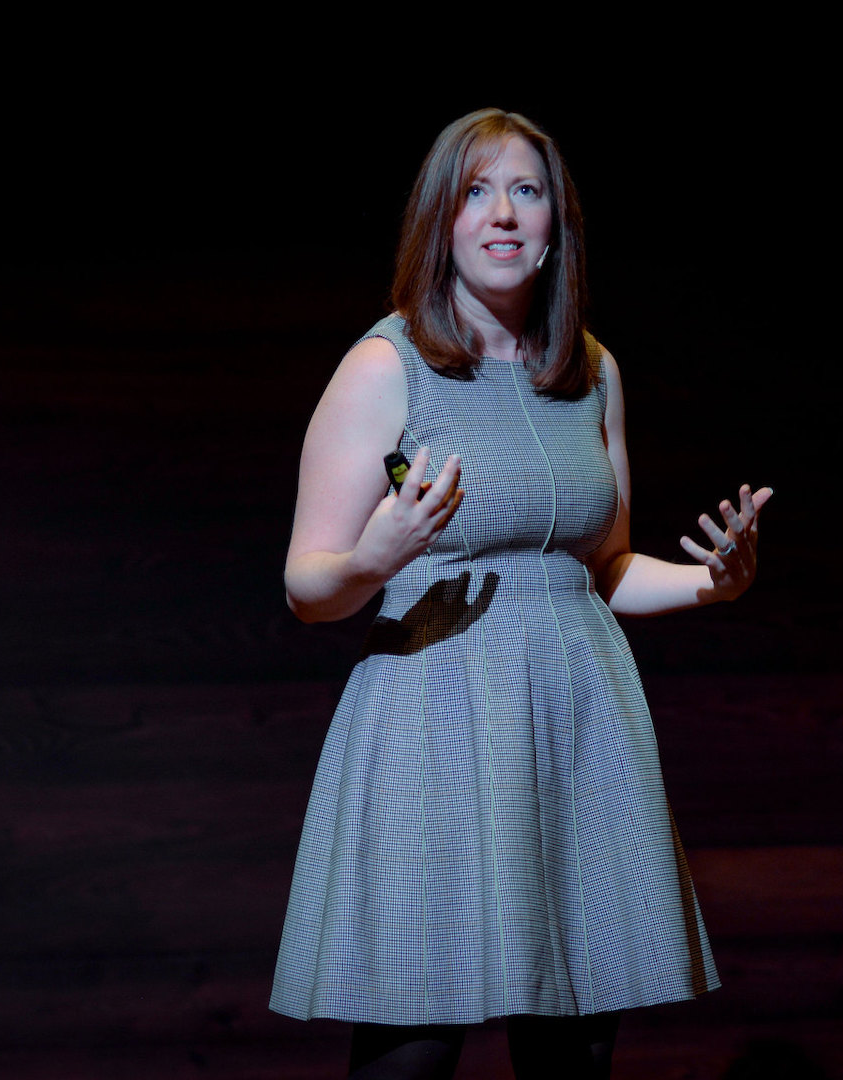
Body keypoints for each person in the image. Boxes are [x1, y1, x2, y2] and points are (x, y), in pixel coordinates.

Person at [272, 107, 774, 1079]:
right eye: (476, 190)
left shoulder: (590, 370)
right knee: (415, 1040)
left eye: (527, 191)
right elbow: (307, 587)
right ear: (442, 222)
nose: (503, 213)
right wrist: (376, 557)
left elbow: (607, 569)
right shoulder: (387, 365)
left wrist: (712, 584)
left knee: (574, 1047)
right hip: (435, 719)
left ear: (556, 227)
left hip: (578, 722)